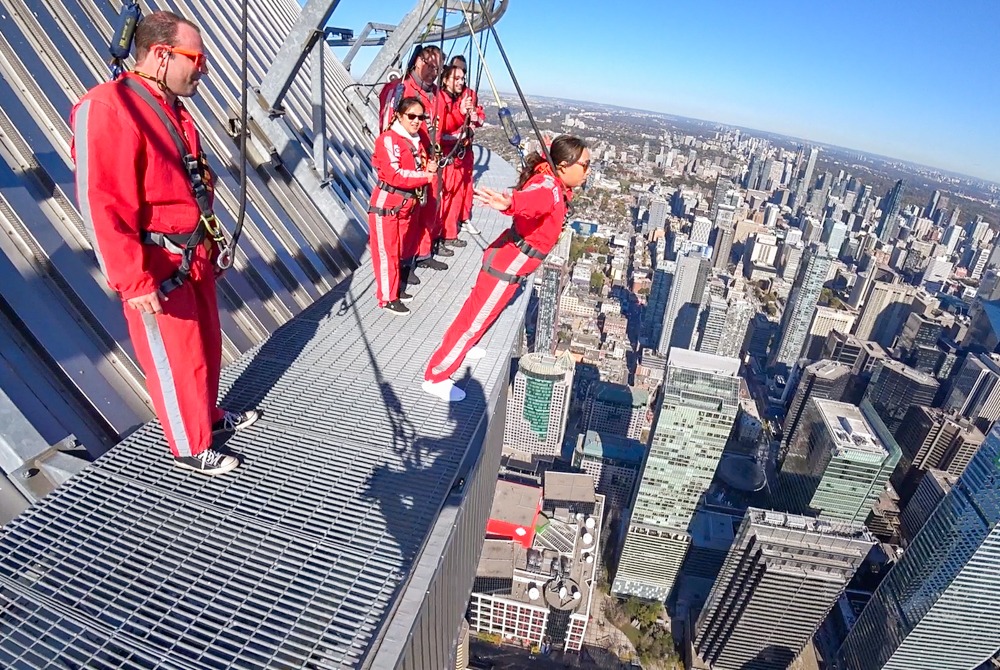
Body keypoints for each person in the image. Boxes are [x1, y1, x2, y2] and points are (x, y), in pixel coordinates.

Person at [70, 11, 258, 475]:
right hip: (157, 263)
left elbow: (183, 184)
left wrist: (210, 244)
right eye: (197, 58)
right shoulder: (110, 107)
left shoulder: (169, 107)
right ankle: (190, 444)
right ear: (160, 54)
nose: (204, 69)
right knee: (176, 358)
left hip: (191, 254)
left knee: (206, 346)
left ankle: (208, 418)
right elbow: (101, 203)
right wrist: (134, 281)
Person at [422, 135, 590, 401]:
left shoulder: (551, 179)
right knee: (471, 319)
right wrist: (511, 204)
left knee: (481, 315)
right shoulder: (549, 189)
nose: (587, 172)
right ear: (564, 166)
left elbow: (539, 186)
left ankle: (464, 347)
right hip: (507, 263)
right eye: (584, 165)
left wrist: (543, 151)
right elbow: (533, 200)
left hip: (509, 261)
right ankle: (436, 375)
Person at [378, 45, 450, 273]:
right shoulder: (400, 90)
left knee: (428, 209)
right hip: (410, 162)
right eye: (430, 66)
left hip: (430, 161)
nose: (433, 72)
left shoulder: (437, 94)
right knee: (406, 216)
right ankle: (402, 265)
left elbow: (443, 126)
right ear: (418, 61)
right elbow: (388, 128)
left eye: (437, 69)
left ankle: (423, 253)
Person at [368, 96, 439, 315]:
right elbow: (394, 174)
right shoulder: (389, 140)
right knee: (387, 251)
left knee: (397, 249)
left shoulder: (415, 140)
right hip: (388, 204)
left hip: (405, 204)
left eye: (420, 117)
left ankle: (394, 289)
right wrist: (425, 176)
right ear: (399, 115)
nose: (417, 121)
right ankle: (387, 298)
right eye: (411, 116)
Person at [436, 63, 484, 248]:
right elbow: (444, 127)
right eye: (456, 78)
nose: (460, 82)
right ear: (446, 79)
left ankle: (449, 232)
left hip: (457, 153)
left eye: (462, 78)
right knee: (448, 195)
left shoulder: (462, 97)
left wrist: (470, 120)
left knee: (456, 193)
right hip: (448, 154)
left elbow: (478, 118)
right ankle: (445, 234)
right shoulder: (443, 99)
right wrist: (461, 114)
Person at [447, 55, 485, 235]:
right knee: (450, 190)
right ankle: (449, 226)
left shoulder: (470, 94)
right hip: (449, 151)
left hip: (465, 149)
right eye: (456, 72)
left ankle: (463, 218)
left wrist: (476, 120)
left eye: (463, 73)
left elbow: (479, 116)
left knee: (466, 186)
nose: (460, 77)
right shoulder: (442, 94)